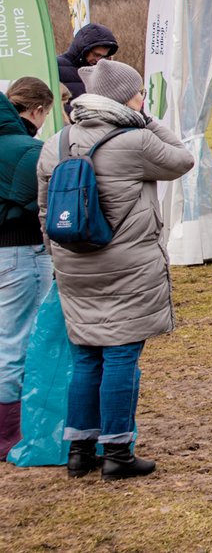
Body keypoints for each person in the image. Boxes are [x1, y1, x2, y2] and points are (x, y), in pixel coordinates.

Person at [37, 59, 194, 480]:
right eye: (138, 92)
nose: (143, 98)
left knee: (86, 357)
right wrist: (148, 120)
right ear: (126, 98)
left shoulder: (57, 142)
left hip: (73, 266)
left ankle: (79, 450)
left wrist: (60, 258)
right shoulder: (136, 140)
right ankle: (118, 452)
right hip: (128, 267)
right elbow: (182, 160)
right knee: (121, 355)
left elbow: (44, 210)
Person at [0, 77, 50, 458]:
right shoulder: (30, 150)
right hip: (21, 251)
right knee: (17, 342)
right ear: (37, 111)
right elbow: (39, 201)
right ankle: (9, 434)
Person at [55, 23, 118, 104]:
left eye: (103, 56)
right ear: (83, 49)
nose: (98, 60)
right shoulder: (55, 67)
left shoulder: (101, 72)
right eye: (96, 55)